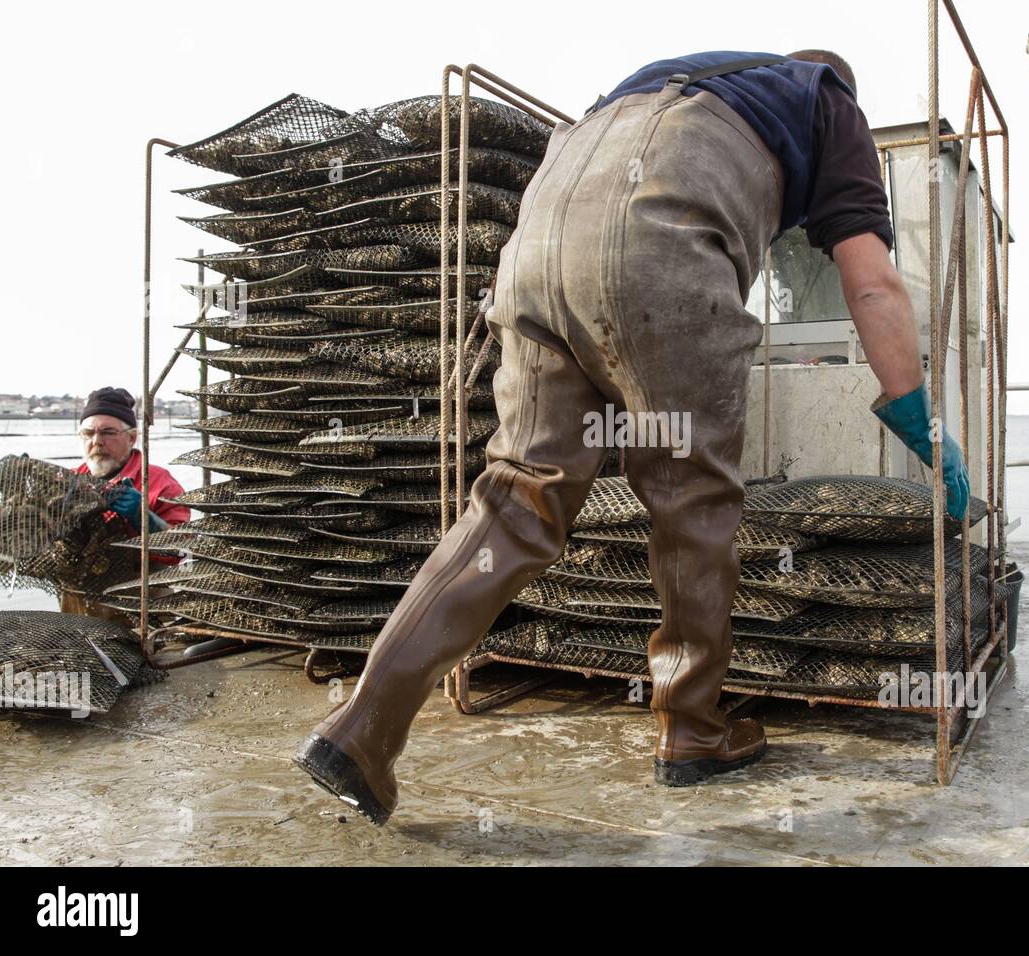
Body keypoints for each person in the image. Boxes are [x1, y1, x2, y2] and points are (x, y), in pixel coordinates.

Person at [296, 50, 971, 825]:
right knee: (691, 500)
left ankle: (360, 729)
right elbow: (871, 278)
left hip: (536, 250)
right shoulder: (828, 99)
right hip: (659, 246)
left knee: (514, 504)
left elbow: (573, 173)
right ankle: (690, 730)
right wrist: (917, 413)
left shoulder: (668, 77)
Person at [61, 386, 192, 617]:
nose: (97, 441)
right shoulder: (66, 481)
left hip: (145, 612)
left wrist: (146, 519)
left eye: (108, 432)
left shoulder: (160, 483)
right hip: (78, 612)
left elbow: (185, 553)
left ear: (132, 437)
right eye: (88, 433)